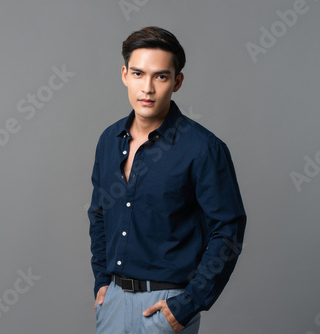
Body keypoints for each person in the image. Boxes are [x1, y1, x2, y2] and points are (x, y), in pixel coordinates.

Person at [88, 26, 247, 333]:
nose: (147, 88)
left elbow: (228, 229)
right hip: (113, 302)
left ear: (177, 82)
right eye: (138, 74)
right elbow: (99, 214)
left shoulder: (202, 148)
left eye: (160, 76)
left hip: (165, 306)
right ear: (124, 75)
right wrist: (102, 281)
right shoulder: (109, 140)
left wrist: (186, 304)